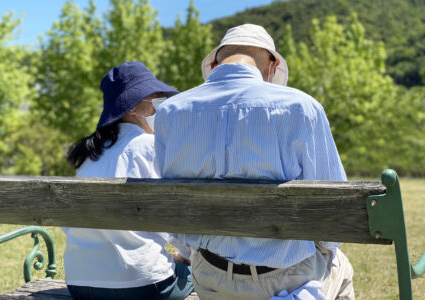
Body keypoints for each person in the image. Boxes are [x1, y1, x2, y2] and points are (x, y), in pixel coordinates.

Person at [154, 24, 354, 300]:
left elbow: (171, 207)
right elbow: (334, 209)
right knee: (340, 264)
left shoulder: (170, 111)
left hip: (212, 277)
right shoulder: (302, 108)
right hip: (288, 278)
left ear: (214, 64)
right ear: (272, 67)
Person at [63, 61, 194, 300]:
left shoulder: (89, 154)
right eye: (156, 102)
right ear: (134, 107)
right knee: (196, 272)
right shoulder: (152, 147)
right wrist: (187, 255)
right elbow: (176, 218)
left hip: (80, 284)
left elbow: (69, 224)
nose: (160, 110)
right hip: (142, 284)